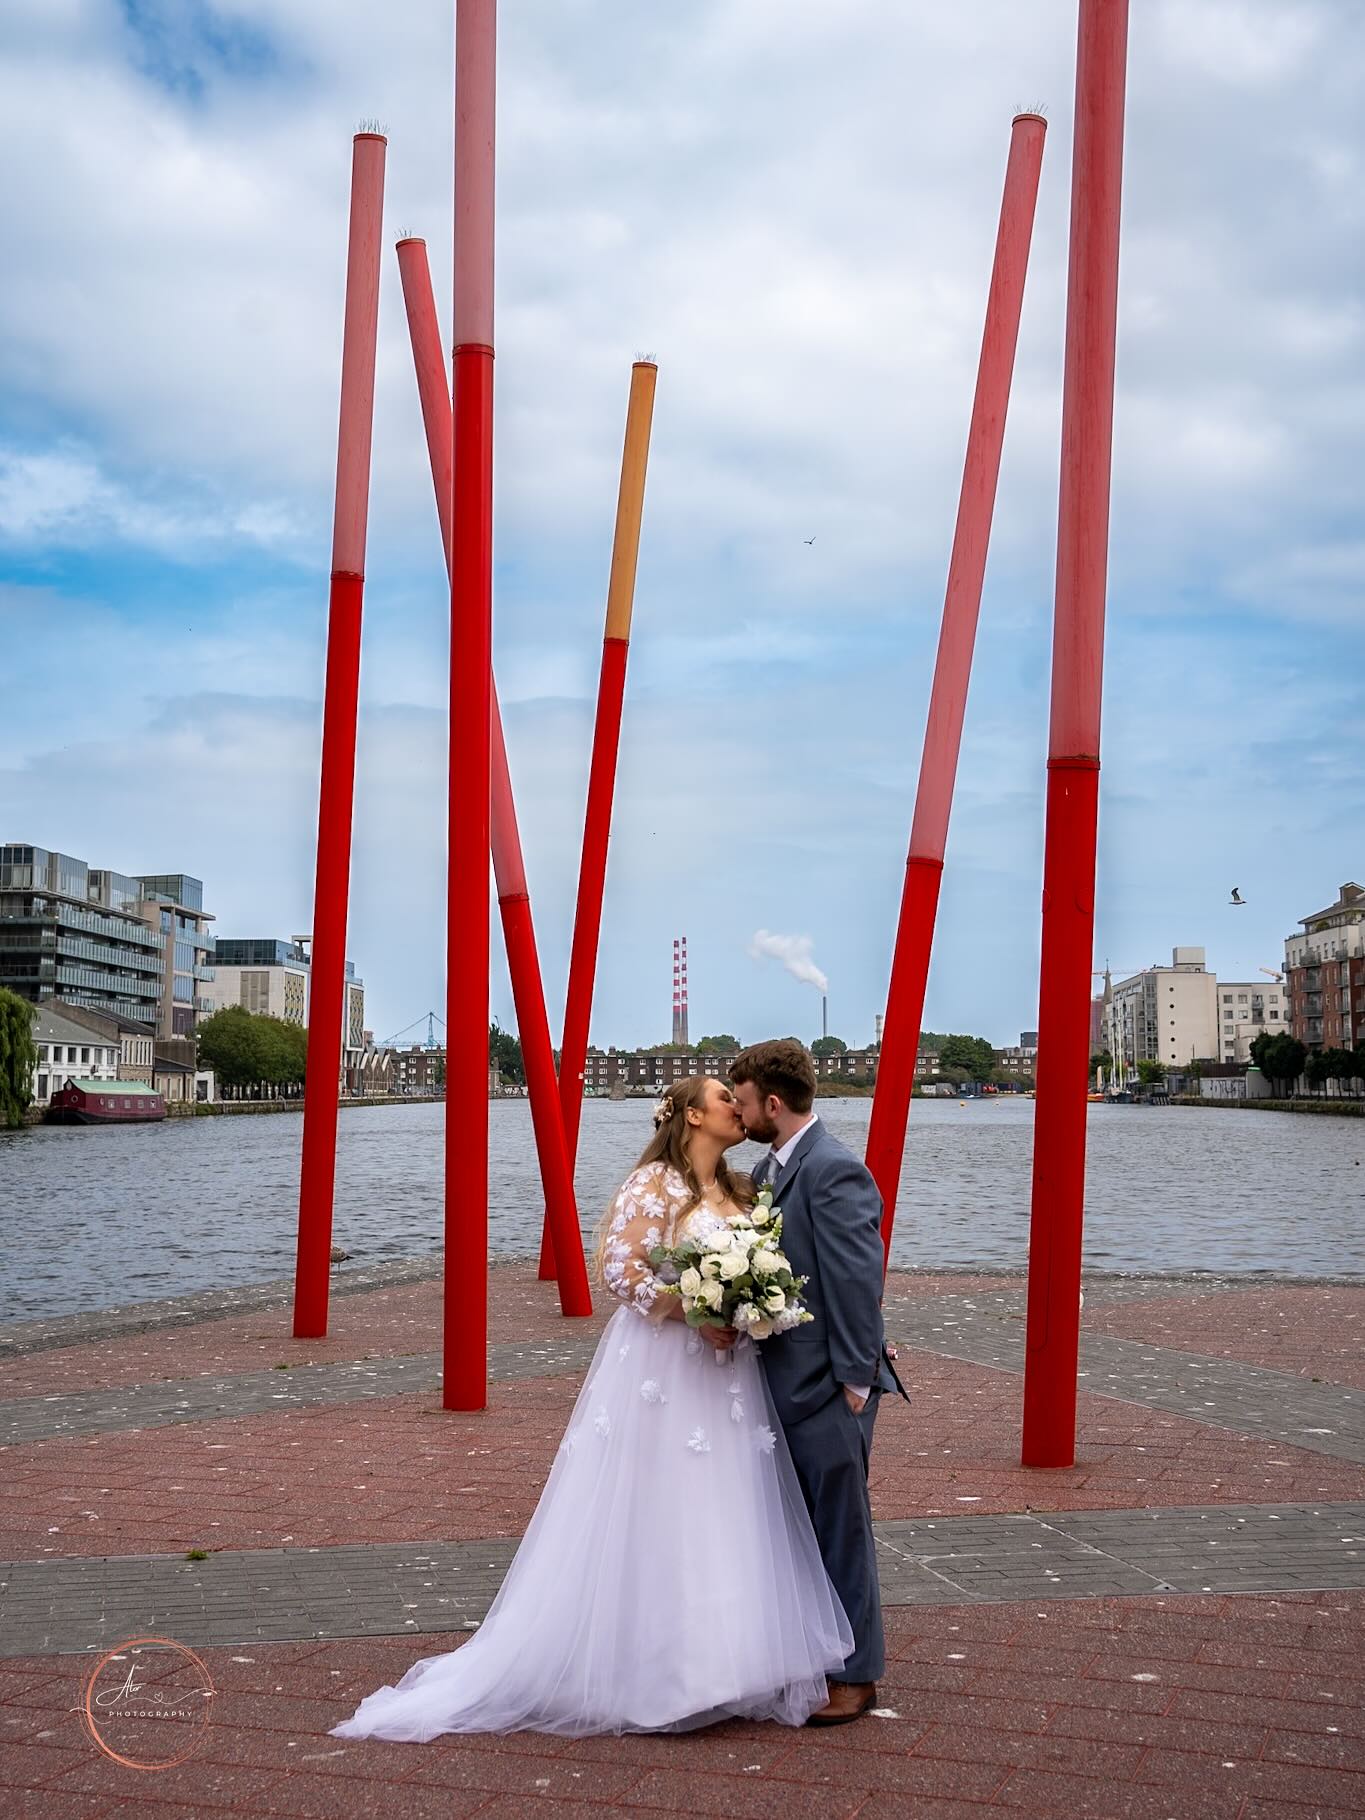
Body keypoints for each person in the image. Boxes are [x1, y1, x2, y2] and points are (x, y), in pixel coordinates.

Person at [330, 1074, 852, 1742]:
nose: (735, 1106)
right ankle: (659, 1672)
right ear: (693, 1115)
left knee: (727, 1500)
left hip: (729, 1374)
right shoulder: (655, 1183)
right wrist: (692, 1311)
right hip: (668, 1363)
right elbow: (618, 1268)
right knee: (663, 1500)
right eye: (724, 1097)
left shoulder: (743, 1188)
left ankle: (730, 1664)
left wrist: (748, 1307)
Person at [729, 1039, 908, 1727]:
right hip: (787, 1380)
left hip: (829, 1387)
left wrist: (856, 1382)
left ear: (773, 1103)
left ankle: (857, 1677)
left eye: (745, 1101)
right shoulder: (768, 1170)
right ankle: (814, 1656)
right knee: (802, 1529)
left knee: (840, 1530)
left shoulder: (833, 1170)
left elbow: (858, 1280)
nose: (739, 1112)